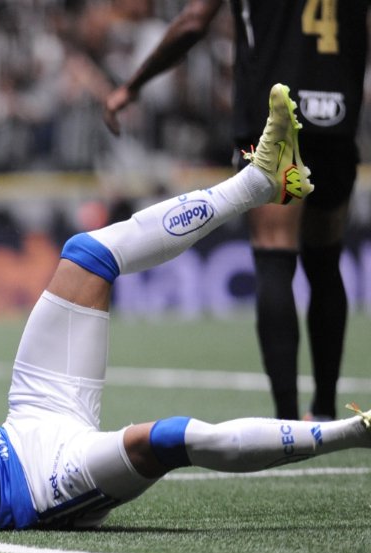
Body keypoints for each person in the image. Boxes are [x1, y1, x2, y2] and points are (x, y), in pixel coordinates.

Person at [0, 85, 371, 537]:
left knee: (87, 253)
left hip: (26, 421)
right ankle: (354, 433)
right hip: (45, 485)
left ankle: (261, 181)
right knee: (172, 436)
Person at [102, 0, 366, 421]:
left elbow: (193, 22)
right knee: (326, 259)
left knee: (275, 254)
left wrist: (131, 85)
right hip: (338, 118)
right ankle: (326, 412)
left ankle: (285, 423)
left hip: (272, 123)